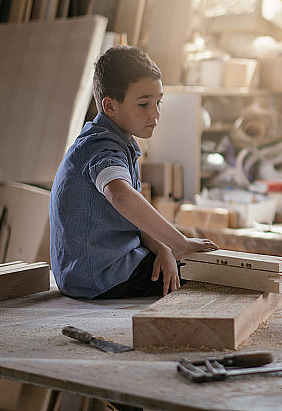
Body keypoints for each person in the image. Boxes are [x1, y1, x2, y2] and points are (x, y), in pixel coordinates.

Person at [50, 46, 217, 299]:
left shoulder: (118, 141)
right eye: (143, 104)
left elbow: (133, 217)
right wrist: (178, 244)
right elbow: (120, 195)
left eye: (158, 102)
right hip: (100, 274)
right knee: (207, 273)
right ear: (110, 106)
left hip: (103, 266)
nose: (155, 114)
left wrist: (163, 246)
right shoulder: (101, 147)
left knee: (189, 259)